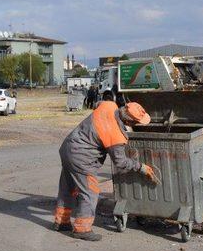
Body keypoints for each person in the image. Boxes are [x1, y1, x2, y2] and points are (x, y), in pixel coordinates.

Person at [53, 101, 157, 241]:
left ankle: (61, 222)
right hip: (82, 158)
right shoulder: (116, 136)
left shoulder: (108, 105)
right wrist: (140, 167)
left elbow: (97, 104)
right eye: (135, 123)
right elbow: (120, 162)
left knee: (68, 188)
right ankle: (82, 229)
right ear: (128, 121)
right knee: (90, 191)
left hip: (67, 148)